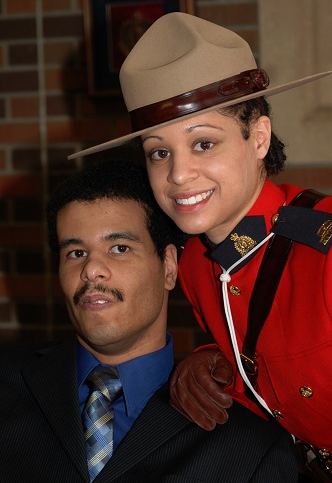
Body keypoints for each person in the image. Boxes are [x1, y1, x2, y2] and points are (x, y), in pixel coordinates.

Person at [69, 12, 332, 478]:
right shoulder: (195, 266)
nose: (178, 174)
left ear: (258, 138)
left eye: (204, 144)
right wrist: (213, 356)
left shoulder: (322, 249)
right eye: (159, 151)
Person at [0, 159, 298, 482]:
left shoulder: (249, 448)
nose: (91, 270)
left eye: (119, 247)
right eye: (75, 253)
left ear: (169, 266)